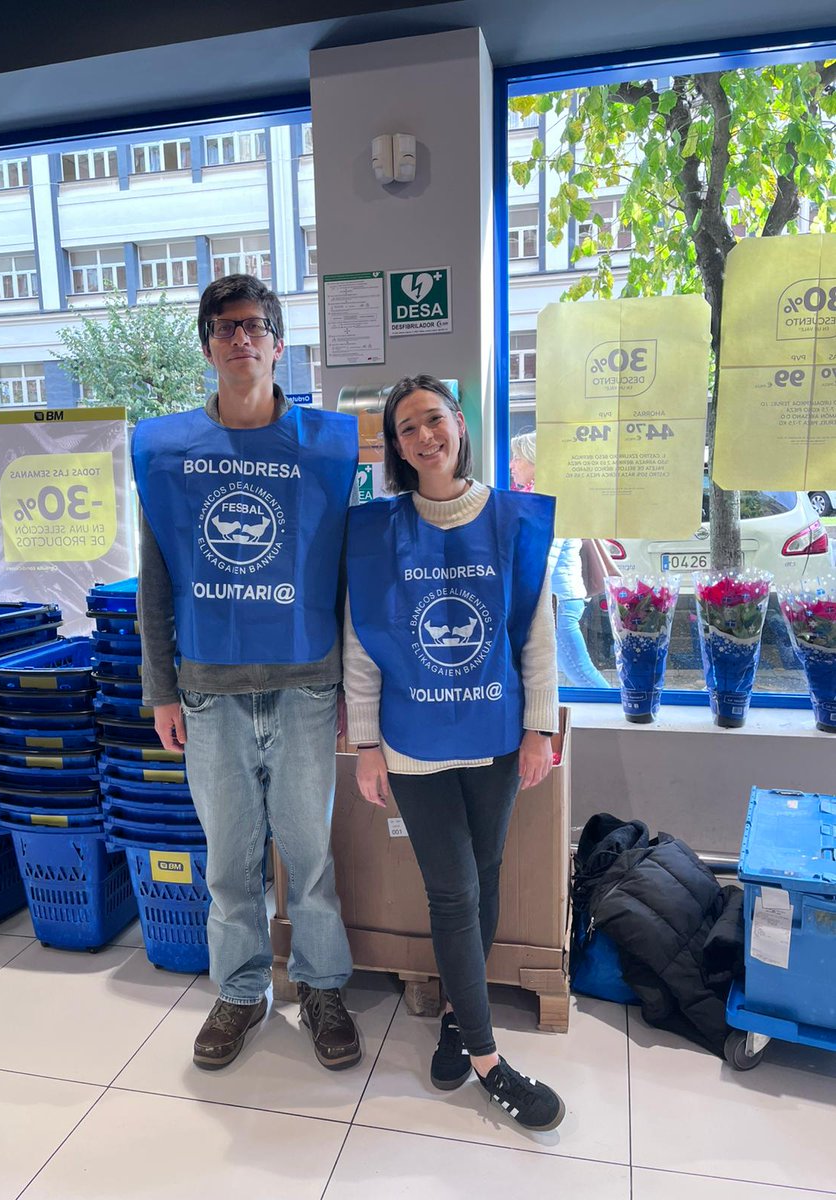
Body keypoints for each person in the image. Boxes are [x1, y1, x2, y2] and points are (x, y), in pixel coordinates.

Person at [132, 274, 361, 1073]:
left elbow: (344, 577)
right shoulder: (166, 454)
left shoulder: (328, 448)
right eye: (225, 327)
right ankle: (239, 990)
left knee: (310, 854)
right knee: (228, 861)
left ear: (278, 344)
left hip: (305, 686)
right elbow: (154, 579)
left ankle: (323, 985)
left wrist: (349, 694)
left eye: (254, 325)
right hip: (208, 693)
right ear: (207, 345)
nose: (240, 339)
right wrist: (161, 688)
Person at [343, 375, 566, 1132]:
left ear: (459, 423)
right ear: (397, 447)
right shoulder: (376, 533)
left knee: (485, 875)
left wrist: (540, 728)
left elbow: (534, 632)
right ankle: (487, 1059)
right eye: (407, 428)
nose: (424, 436)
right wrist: (366, 745)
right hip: (412, 743)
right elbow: (361, 649)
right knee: (452, 891)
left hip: (496, 736)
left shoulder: (513, 522)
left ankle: (455, 1018)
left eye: (433, 419)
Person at [511, 432, 612, 689]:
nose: (512, 465)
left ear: (535, 462)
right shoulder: (546, 498)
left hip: (558, 601)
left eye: (517, 458)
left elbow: (545, 557)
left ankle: (615, 712)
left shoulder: (549, 501)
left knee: (579, 670)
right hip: (561, 597)